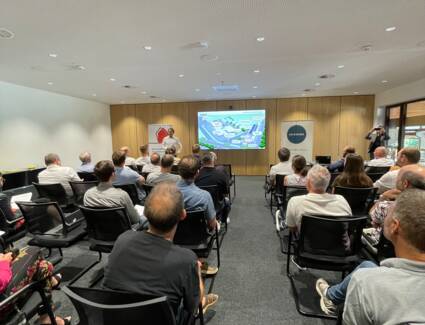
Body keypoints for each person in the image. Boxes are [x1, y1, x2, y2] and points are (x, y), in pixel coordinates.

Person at [103, 182, 218, 321]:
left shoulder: (123, 238)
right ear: (183, 214)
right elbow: (195, 306)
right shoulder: (187, 260)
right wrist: (197, 273)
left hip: (116, 318)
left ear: (145, 212)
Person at [315, 188, 425, 324]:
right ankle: (330, 295)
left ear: (395, 226)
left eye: (388, 215)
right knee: (367, 265)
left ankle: (330, 296)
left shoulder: (365, 282)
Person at [0, 247, 70, 325]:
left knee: (40, 267)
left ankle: (47, 317)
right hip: (3, 303)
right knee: (36, 254)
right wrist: (4, 262)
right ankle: (51, 282)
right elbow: (2, 281)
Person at [176, 156, 219, 275]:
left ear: (179, 172)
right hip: (198, 241)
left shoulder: (166, 192)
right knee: (216, 224)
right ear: (197, 173)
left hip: (171, 239)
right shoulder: (204, 196)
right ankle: (198, 263)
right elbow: (211, 224)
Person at [285, 165, 352, 231]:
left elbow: (292, 228)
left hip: (308, 241)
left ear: (308, 182)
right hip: (338, 241)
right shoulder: (342, 200)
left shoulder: (295, 201)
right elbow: (348, 224)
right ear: (328, 183)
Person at [84, 160, 145, 225]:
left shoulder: (87, 194)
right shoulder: (122, 195)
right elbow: (135, 219)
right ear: (113, 174)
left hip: (98, 232)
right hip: (123, 233)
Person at [370, 164, 425, 228]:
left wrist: (383, 197)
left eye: (398, 178)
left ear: (405, 183)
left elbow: (372, 215)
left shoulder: (386, 207)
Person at [195, 152, 231, 223]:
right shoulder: (221, 174)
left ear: (202, 162)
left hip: (200, 206)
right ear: (213, 161)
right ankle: (222, 219)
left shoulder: (196, 175)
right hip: (217, 206)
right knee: (227, 201)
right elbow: (226, 192)